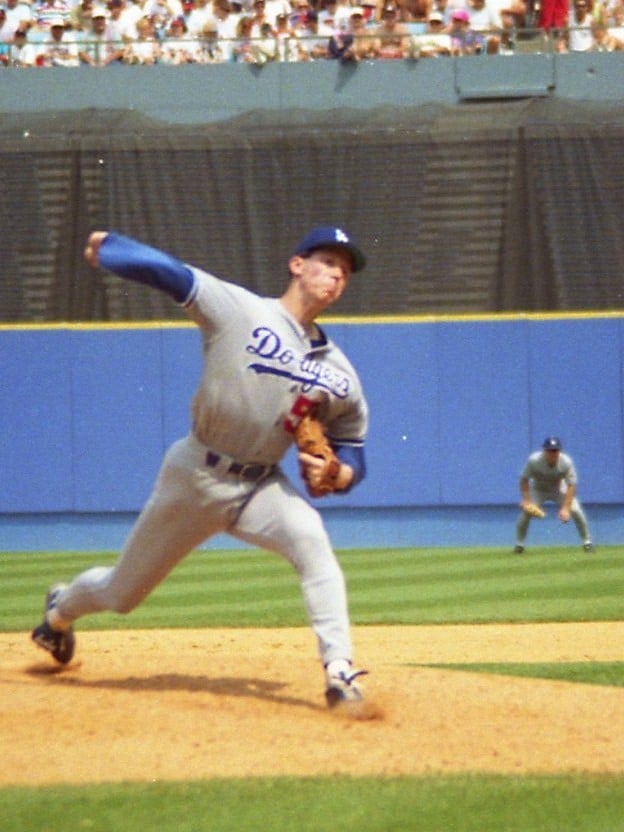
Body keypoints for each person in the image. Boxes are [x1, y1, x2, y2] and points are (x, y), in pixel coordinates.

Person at [31, 225, 370, 709]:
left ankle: (340, 673)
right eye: (328, 262)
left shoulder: (339, 373)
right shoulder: (242, 310)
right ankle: (60, 611)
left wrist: (337, 475)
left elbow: (354, 448)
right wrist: (111, 250)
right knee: (120, 594)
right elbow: (174, 276)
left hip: (259, 487)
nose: (337, 275)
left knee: (312, 542)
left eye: (345, 271)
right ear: (297, 264)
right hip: (195, 475)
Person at [514, 436, 594, 554]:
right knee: (526, 513)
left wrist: (566, 508)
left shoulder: (566, 462)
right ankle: (519, 545)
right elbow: (524, 479)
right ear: (544, 451)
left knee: (576, 510)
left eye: (555, 450)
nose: (553, 453)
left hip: (558, 489)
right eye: (550, 450)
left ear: (559, 451)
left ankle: (587, 542)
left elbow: (571, 485)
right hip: (538, 490)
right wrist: (526, 500)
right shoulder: (534, 460)